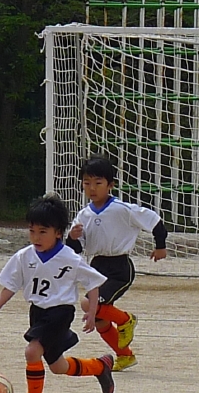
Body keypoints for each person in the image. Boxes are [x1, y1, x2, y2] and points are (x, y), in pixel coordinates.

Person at [0, 193, 115, 393]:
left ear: (58, 232)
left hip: (60, 313)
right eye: (32, 231)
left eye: (43, 231)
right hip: (37, 312)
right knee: (58, 366)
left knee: (32, 352)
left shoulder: (70, 258)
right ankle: (99, 366)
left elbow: (93, 283)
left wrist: (92, 312)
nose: (36, 237)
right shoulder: (24, 256)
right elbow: (11, 284)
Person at [65, 156, 168, 371]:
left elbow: (155, 221)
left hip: (119, 267)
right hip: (96, 266)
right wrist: (72, 238)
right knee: (100, 319)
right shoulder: (84, 215)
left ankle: (126, 320)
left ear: (110, 185)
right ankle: (125, 356)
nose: (92, 188)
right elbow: (75, 249)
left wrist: (160, 246)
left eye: (98, 183)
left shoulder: (122, 209)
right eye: (87, 183)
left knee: (88, 304)